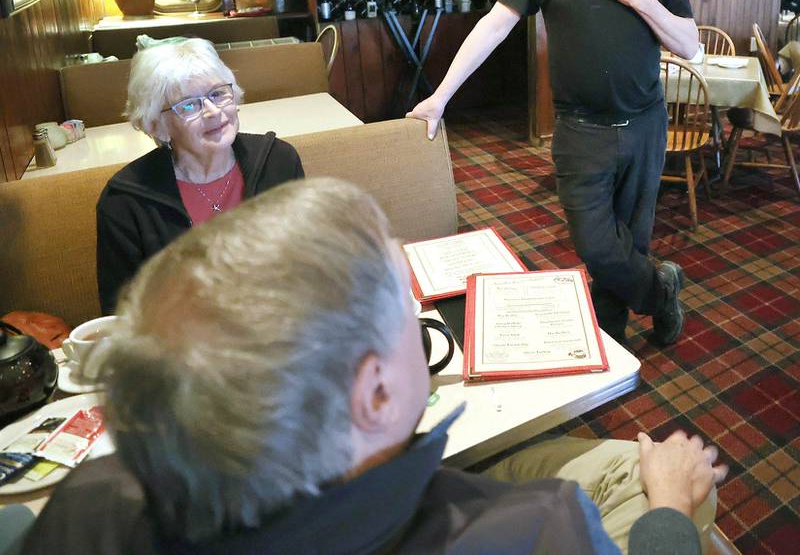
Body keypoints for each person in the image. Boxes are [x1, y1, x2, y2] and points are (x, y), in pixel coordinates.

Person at [25, 179, 727, 554]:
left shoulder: (82, 502)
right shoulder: (543, 531)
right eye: (410, 312)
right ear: (378, 391)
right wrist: (668, 511)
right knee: (668, 477)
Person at [409, 0, 700, 346]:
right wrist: (440, 96)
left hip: (645, 126)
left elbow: (690, 44)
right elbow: (494, 24)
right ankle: (661, 290)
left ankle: (609, 339)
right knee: (596, 245)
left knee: (633, 238)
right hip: (579, 130)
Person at [95, 37, 303, 313]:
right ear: (157, 125)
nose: (213, 112)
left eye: (218, 94)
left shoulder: (277, 162)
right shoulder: (125, 201)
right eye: (189, 105)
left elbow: (308, 266)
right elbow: (122, 315)